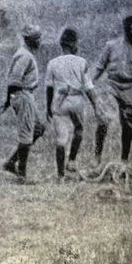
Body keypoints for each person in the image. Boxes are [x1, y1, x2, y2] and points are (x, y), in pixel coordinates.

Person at [46, 29, 100, 179]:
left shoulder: (52, 63)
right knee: (79, 129)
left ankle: (60, 175)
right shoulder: (81, 62)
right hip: (76, 100)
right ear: (73, 44)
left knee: (61, 138)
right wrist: (96, 105)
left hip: (60, 101)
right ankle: (71, 161)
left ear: (62, 44)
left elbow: (49, 87)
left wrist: (48, 107)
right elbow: (89, 87)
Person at [0, 25, 47, 184]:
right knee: (27, 134)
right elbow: (14, 80)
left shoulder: (26, 54)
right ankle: (22, 175)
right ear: (29, 40)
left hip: (26, 94)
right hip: (23, 94)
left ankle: (11, 162)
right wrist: (10, 100)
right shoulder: (24, 56)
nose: (39, 42)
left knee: (39, 128)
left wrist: (10, 100)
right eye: (37, 39)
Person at [92, 15, 132, 163]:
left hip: (129, 89)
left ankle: (124, 160)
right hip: (112, 86)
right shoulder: (111, 45)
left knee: (128, 124)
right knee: (104, 119)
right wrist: (90, 82)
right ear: (126, 30)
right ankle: (97, 156)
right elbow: (100, 66)